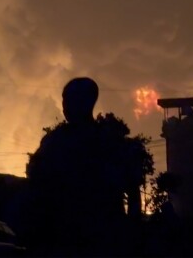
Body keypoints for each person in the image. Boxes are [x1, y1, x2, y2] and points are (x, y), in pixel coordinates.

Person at [25, 77, 143, 256]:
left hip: (86, 238)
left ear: (86, 101)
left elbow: (133, 191)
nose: (65, 107)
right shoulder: (111, 142)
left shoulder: (57, 143)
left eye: (69, 100)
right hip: (77, 237)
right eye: (64, 101)